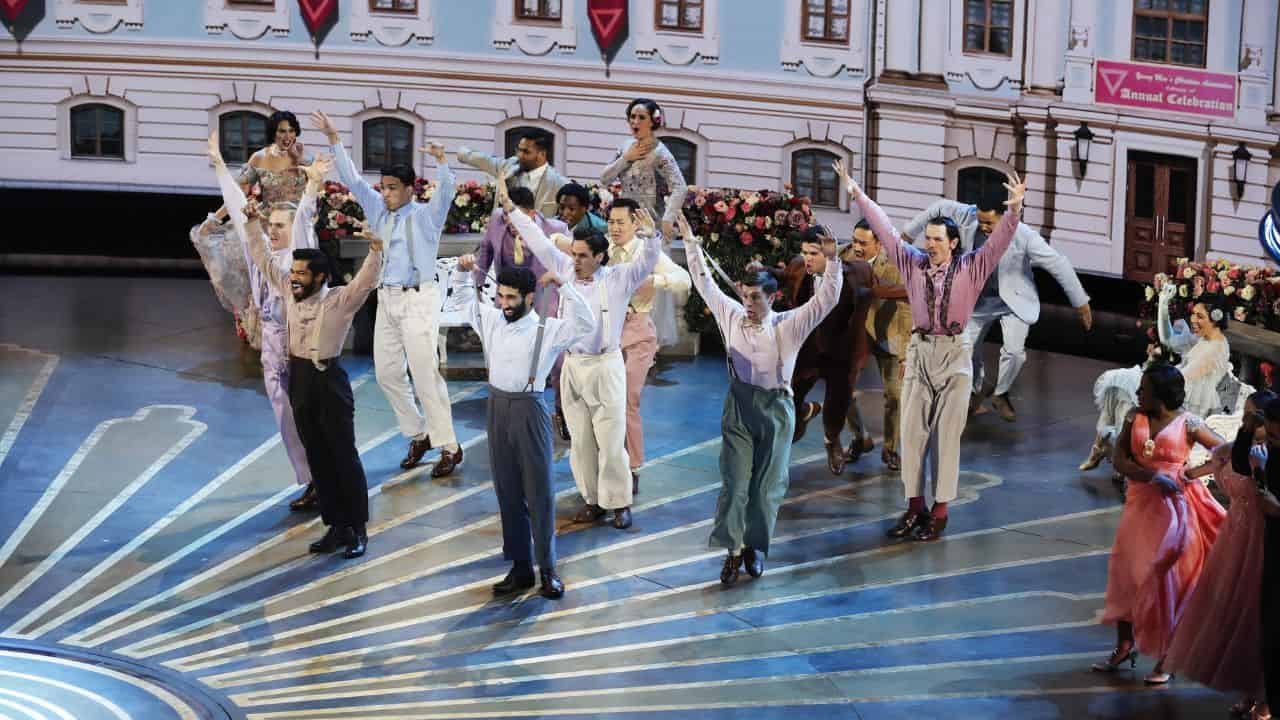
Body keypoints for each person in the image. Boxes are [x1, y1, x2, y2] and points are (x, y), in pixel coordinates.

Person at [838, 160, 1024, 542]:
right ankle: (914, 508)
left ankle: (939, 513)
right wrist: (856, 192)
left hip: (955, 355)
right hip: (920, 352)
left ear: (953, 243)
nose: (930, 244)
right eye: (928, 238)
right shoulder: (913, 264)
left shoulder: (972, 267)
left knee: (946, 437)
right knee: (912, 433)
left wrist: (1015, 209)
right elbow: (885, 230)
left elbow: (1000, 241)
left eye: (938, 239)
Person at [493, 166, 660, 531]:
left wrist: (651, 236)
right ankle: (592, 499)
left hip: (606, 365)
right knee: (581, 441)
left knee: (611, 440)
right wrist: (509, 206)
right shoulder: (565, 267)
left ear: (600, 256)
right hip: (573, 366)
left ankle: (619, 502)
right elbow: (536, 237)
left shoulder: (619, 278)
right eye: (575, 254)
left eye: (583, 255)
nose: (576, 260)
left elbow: (647, 260)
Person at [679, 211, 842, 586]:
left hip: (776, 409)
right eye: (745, 296)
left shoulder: (789, 325)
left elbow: (826, 300)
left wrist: (832, 261)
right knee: (735, 482)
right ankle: (733, 550)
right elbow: (703, 281)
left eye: (756, 298)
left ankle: (754, 547)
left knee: (768, 486)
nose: (748, 303)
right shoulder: (731, 314)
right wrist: (689, 241)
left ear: (773, 296)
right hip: (739, 405)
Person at [312, 111, 463, 477]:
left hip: (418, 299)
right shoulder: (378, 210)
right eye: (384, 187)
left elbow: (447, 193)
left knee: (425, 374)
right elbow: (352, 179)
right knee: (387, 374)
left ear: (410, 189)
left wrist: (442, 162)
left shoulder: (426, 216)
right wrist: (334, 137)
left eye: (393, 187)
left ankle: (449, 446)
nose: (386, 193)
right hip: (388, 299)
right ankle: (419, 434)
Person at [245, 180, 386, 560]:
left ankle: (357, 528)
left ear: (320, 277)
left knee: (343, 456)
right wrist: (252, 224)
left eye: (302, 274)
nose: (293, 278)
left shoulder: (340, 300)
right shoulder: (289, 291)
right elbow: (263, 259)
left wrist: (376, 250)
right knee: (318, 456)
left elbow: (367, 280)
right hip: (300, 380)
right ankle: (335, 525)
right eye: (293, 272)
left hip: (329, 382)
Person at [451, 265, 595, 600]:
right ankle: (520, 568)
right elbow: (462, 302)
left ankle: (548, 569)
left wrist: (565, 286)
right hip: (496, 408)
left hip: (530, 409)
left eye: (511, 298)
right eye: (500, 297)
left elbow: (587, 324)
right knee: (508, 491)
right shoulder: (491, 320)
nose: (504, 304)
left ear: (530, 298)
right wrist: (460, 272)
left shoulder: (549, 329)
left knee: (539, 492)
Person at [204, 131, 321, 512]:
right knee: (284, 415)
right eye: (271, 225)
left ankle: (325, 476)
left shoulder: (300, 254)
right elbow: (238, 206)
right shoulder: (260, 249)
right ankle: (311, 478)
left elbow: (305, 216)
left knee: (308, 414)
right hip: (271, 343)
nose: (273, 230)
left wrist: (313, 184)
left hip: (299, 342)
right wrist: (219, 165)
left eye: (280, 226)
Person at [901, 193, 1092, 422]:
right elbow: (939, 207)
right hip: (977, 301)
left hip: (1012, 301)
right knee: (965, 350)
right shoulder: (967, 216)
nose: (983, 227)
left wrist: (1081, 303)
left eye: (989, 222)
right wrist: (909, 232)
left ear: (1004, 218)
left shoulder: (1023, 235)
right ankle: (976, 389)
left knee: (1014, 352)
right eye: (980, 221)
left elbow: (1057, 263)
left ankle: (1001, 393)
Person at [1092, 364, 1227, 684]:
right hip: (1140, 505)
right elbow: (1120, 458)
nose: (1139, 393)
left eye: (1145, 389)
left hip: (1175, 511)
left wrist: (1192, 473)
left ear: (1162, 394)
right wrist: (1150, 475)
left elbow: (1225, 451)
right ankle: (1124, 645)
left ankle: (1169, 657)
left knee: (1167, 581)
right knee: (1127, 573)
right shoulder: (1134, 417)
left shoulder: (1188, 423)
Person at [1167, 390, 1278, 719]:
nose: (1251, 421)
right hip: (1238, 536)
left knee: (1260, 618)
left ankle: (1266, 697)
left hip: (1263, 539)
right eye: (1247, 415)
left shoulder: (1266, 454)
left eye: (1256, 417)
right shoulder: (1251, 450)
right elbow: (1236, 461)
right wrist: (1246, 429)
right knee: (1238, 615)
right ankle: (1250, 689)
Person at [193, 109, 312, 350]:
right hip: (267, 228)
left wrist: (300, 162)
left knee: (296, 279)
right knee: (265, 282)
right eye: (282, 131)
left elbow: (315, 190)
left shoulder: (304, 157)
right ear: (273, 133)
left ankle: (297, 336)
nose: (287, 136)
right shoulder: (259, 158)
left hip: (297, 229)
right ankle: (264, 337)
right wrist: (215, 219)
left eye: (291, 131)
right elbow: (237, 194)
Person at [1082, 287, 1232, 474]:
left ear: (1216, 318)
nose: (1193, 320)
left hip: (1187, 403)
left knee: (1122, 384)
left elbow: (1178, 380)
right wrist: (1163, 304)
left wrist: (1150, 376)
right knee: (1118, 386)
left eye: (1200, 316)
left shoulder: (1214, 349)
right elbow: (1169, 340)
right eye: (1193, 314)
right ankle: (1104, 446)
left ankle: (1112, 447)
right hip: (1177, 390)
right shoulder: (1205, 339)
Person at [763, 226, 871, 475]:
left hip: (840, 352)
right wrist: (764, 270)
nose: (807, 258)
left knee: (837, 404)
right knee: (788, 396)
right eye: (805, 252)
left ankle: (832, 441)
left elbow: (878, 288)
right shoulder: (800, 267)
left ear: (829, 253)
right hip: (807, 349)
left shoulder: (856, 273)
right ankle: (801, 417)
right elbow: (785, 275)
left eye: (813, 253)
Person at [605, 198, 691, 493]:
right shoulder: (604, 249)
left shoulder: (646, 251)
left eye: (621, 222)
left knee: (627, 398)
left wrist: (654, 280)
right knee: (605, 400)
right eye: (611, 222)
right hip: (607, 331)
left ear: (634, 224)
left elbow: (683, 279)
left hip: (639, 332)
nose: (615, 228)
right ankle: (608, 461)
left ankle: (632, 466)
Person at [850, 218, 911, 472]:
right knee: (842, 389)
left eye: (863, 243)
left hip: (891, 334)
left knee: (895, 396)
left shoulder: (897, 264)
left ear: (879, 244)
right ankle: (859, 438)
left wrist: (906, 352)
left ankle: (890, 449)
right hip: (858, 334)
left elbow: (908, 306)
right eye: (854, 241)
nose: (857, 247)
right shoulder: (845, 257)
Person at [1236, 396, 1280, 719]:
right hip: (1274, 549)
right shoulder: (1275, 452)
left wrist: (1279, 511)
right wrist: (1245, 432)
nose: (1273, 442)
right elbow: (1240, 465)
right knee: (1270, 632)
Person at [600, 98, 689, 239]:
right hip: (624, 221)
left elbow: (680, 187)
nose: (635, 121)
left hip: (649, 225)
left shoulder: (659, 152)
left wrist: (668, 218)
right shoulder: (625, 146)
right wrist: (626, 158)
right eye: (632, 116)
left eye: (641, 117)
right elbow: (604, 178)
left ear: (653, 121)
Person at [458, 129, 567, 219]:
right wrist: (462, 153)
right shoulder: (511, 165)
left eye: (526, 152)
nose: (520, 155)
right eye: (519, 150)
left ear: (542, 154)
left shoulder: (560, 184)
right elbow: (486, 160)